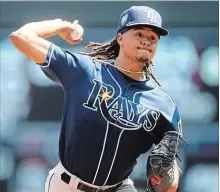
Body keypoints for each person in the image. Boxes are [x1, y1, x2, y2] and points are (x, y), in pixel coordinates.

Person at [9, 5, 184, 192]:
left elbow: (170, 170)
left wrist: (170, 178)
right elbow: (21, 37)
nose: (146, 41)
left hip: (119, 187)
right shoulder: (84, 71)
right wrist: (61, 26)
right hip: (68, 185)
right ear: (120, 38)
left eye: (153, 38)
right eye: (139, 33)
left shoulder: (163, 104)